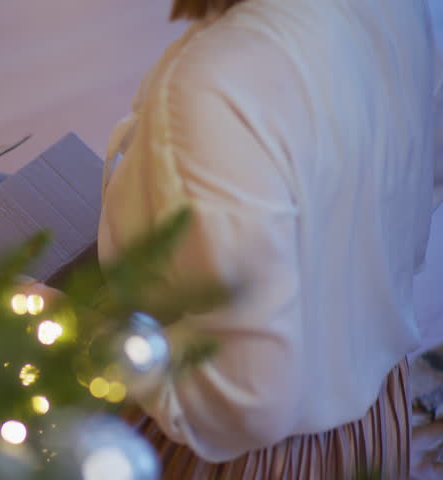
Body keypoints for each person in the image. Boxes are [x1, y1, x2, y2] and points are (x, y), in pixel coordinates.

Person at [98, 0, 443, 477]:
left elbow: (248, 398)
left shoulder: (222, 80)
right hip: (374, 419)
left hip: (239, 457)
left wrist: (88, 343)